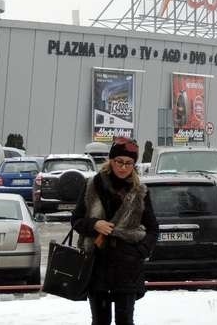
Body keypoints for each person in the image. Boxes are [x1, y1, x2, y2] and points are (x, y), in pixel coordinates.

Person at [72, 137, 158, 325]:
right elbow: (76, 220)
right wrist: (94, 224)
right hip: (96, 265)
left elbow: (153, 229)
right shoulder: (92, 186)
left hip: (127, 268)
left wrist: (139, 252)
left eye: (129, 163)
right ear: (111, 160)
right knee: (100, 321)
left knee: (125, 321)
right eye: (119, 161)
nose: (123, 167)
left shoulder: (140, 192)